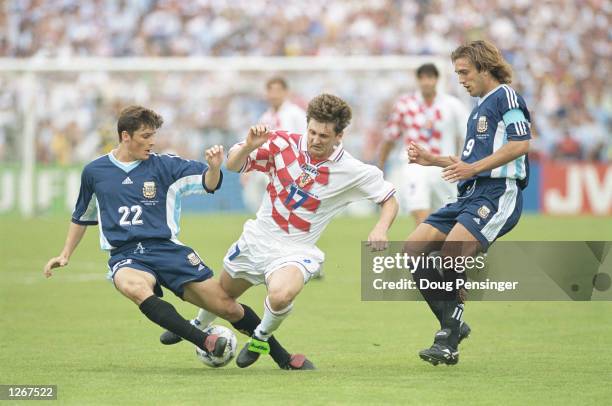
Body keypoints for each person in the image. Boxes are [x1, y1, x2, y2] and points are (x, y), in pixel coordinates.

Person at [43, 105, 308, 370]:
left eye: (153, 135)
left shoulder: (165, 165)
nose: (152, 142)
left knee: (227, 307)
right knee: (133, 286)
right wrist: (65, 253)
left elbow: (209, 183)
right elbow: (82, 215)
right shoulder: (95, 172)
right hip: (126, 254)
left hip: (168, 250)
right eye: (145, 136)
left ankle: (283, 357)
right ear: (125, 136)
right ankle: (204, 340)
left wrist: (214, 168)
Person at [161, 94, 399, 368]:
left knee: (281, 294)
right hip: (258, 239)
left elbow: (389, 199)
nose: (315, 139)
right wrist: (249, 146)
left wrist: (381, 228)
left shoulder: (353, 170)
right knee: (222, 296)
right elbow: (232, 165)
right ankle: (199, 323)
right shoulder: (282, 142)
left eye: (324, 135)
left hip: (296, 249)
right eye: (312, 131)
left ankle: (260, 338)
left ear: (339, 136)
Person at [405, 40, 531, 366]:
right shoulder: (478, 108)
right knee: (413, 250)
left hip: (497, 193)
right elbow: (469, 160)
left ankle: (446, 338)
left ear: (484, 67)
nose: (460, 79)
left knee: (452, 254)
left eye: (464, 72)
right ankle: (453, 326)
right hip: (469, 195)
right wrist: (433, 159)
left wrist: (473, 168)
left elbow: (521, 143)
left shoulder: (506, 97)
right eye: (457, 73)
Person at [379, 63, 468, 225]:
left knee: (448, 220)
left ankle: (436, 250)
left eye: (430, 78)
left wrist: (463, 161)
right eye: (423, 78)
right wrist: (381, 164)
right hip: (415, 166)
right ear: (418, 80)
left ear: (437, 79)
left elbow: (467, 135)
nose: (426, 82)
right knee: (421, 214)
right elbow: (390, 137)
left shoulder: (452, 105)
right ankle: (424, 250)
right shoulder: (405, 104)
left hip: (444, 167)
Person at [241, 76, 307, 213]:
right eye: (270, 91)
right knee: (254, 199)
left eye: (277, 90)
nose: (274, 95)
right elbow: (259, 145)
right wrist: (249, 169)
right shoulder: (265, 117)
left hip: (290, 168)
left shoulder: (296, 114)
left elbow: (306, 141)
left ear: (285, 92)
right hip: (267, 167)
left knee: (286, 207)